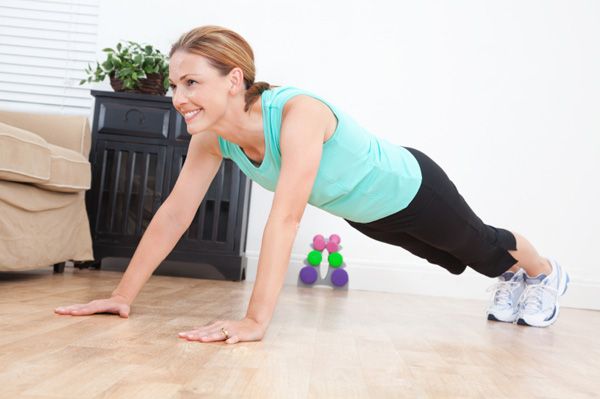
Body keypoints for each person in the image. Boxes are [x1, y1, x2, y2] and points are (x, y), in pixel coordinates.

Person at [54, 25, 570, 343]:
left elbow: (287, 217)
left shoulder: (298, 112)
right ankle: (513, 277)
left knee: (481, 246)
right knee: (452, 261)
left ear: (234, 79)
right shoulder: (212, 137)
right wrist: (122, 293)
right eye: (174, 83)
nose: (178, 97)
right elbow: (174, 214)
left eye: (192, 82)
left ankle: (544, 272)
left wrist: (255, 320)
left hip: (412, 187)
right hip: (367, 212)